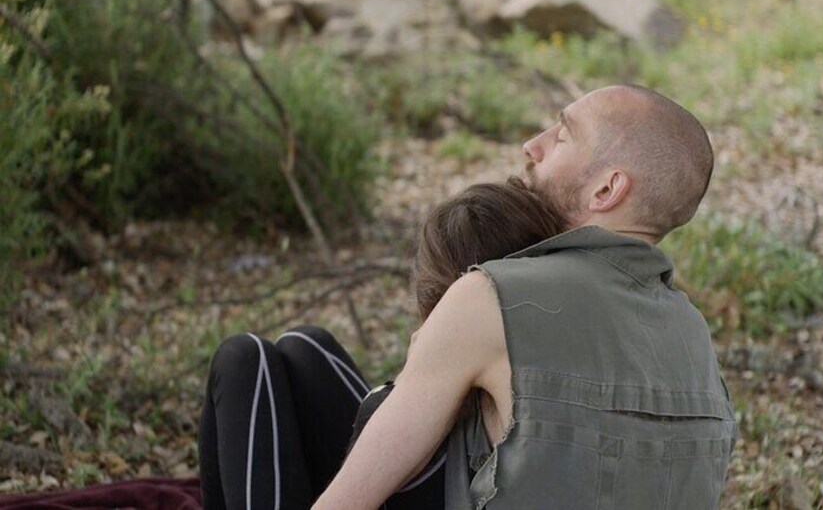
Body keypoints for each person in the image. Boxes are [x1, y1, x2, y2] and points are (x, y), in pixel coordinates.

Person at [204, 84, 738, 510]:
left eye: (563, 135)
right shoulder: (695, 339)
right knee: (303, 349)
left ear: (606, 190)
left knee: (243, 359)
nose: (534, 145)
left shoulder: (492, 298)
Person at [199, 178, 564, 509]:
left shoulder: (446, 374)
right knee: (303, 346)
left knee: (243, 358)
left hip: (415, 480)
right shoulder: (557, 341)